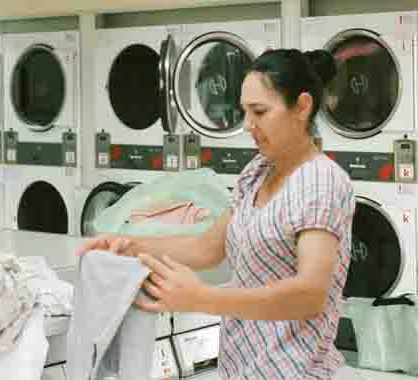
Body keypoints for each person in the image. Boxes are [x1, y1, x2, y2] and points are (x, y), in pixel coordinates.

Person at [78, 49, 356, 379]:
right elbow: (207, 248)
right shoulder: (257, 172)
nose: (248, 126)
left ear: (302, 107)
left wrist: (203, 298)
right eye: (244, 113)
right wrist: (128, 243)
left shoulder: (320, 181)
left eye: (260, 112)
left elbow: (310, 294)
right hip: (242, 370)